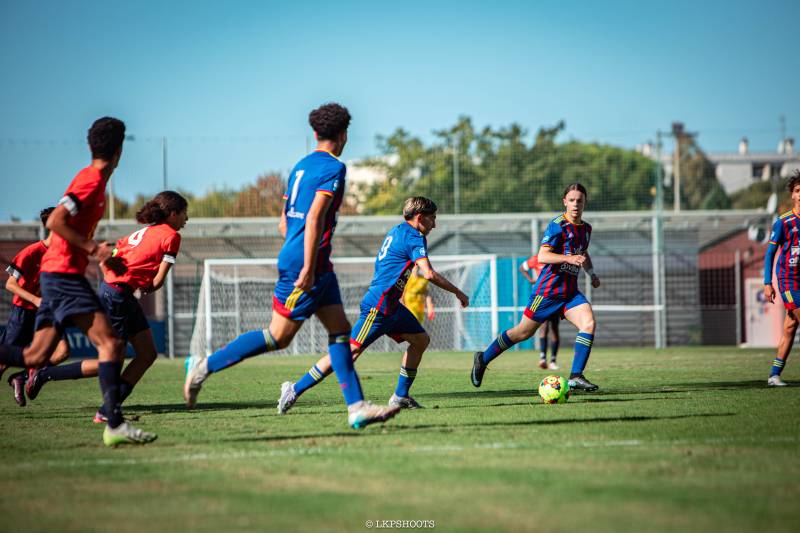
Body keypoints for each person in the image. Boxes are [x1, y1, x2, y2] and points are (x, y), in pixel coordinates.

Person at [184, 103, 400, 429]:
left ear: (315, 133)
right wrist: (309, 265)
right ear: (343, 135)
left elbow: (284, 224)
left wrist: (306, 253)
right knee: (277, 336)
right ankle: (203, 366)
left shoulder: (300, 167)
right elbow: (314, 217)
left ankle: (356, 407)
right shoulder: (334, 168)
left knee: (340, 332)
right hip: (309, 261)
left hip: (306, 257)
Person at [0, 116, 156, 446]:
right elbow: (56, 220)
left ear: (91, 146)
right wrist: (94, 249)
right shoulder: (91, 180)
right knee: (111, 344)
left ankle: (113, 423)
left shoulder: (93, 179)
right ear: (119, 151)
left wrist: (100, 253)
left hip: (58, 277)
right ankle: (114, 423)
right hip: (64, 276)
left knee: (34, 356)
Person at [278, 196, 469, 413]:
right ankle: (294, 389)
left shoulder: (397, 230)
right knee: (348, 353)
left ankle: (400, 396)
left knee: (420, 340)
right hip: (378, 307)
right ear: (419, 217)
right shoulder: (414, 236)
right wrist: (459, 292)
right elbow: (428, 273)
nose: (435, 224)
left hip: (392, 307)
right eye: (432, 218)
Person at [25, 192, 188, 420]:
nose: (186, 219)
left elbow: (109, 256)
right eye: (184, 214)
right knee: (111, 359)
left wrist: (121, 280)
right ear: (172, 214)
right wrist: (143, 285)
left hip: (117, 292)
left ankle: (109, 406)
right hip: (119, 296)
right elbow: (158, 281)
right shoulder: (171, 236)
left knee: (148, 354)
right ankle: (46, 376)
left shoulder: (141, 232)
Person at [471, 183, 601, 392]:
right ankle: (483, 359)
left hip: (569, 294)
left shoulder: (586, 229)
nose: (576, 204)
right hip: (547, 292)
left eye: (580, 200)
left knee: (589, 323)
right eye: (572, 200)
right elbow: (543, 256)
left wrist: (592, 273)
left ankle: (576, 376)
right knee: (522, 333)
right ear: (564, 202)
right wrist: (569, 258)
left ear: (585, 203)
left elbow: (583, 253)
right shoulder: (557, 225)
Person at [1, 207, 70, 406]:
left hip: (48, 314)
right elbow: (10, 284)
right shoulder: (31, 252)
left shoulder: (63, 255)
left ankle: (21, 378)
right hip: (23, 313)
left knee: (62, 351)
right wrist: (35, 300)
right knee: (4, 361)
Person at [763, 170, 800, 387]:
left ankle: (774, 375)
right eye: (797, 190)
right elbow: (770, 253)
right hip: (788, 280)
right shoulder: (784, 222)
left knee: (790, 327)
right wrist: (768, 282)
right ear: (792, 195)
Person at [519, 254, 560, 370]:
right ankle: (542, 358)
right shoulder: (536, 259)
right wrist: (531, 280)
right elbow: (522, 267)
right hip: (541, 297)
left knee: (554, 328)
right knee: (544, 326)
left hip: (555, 297)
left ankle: (553, 360)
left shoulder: (556, 258)